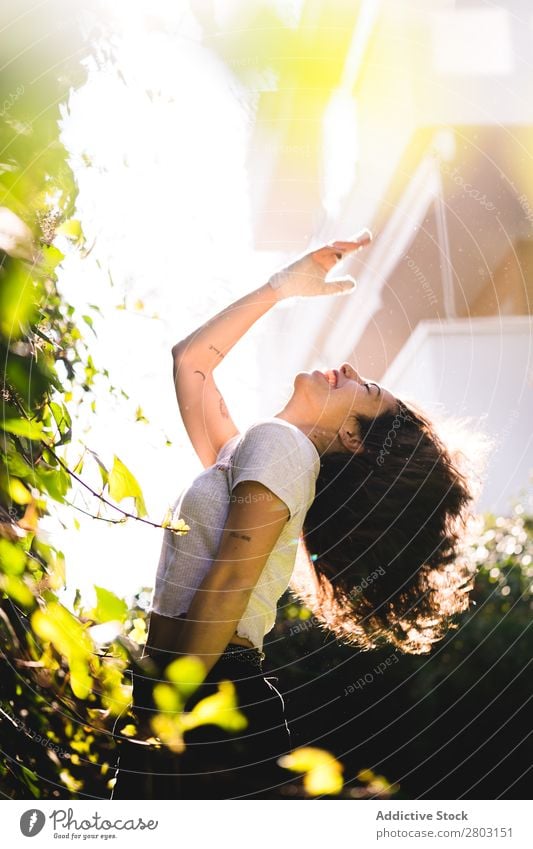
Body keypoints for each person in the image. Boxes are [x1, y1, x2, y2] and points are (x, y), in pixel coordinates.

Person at [112, 229, 477, 799]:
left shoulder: (282, 452)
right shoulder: (259, 452)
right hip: (197, 677)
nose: (351, 367)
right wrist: (281, 288)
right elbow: (190, 363)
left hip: (205, 680)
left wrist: (164, 706)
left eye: (368, 389)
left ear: (355, 437)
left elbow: (232, 580)